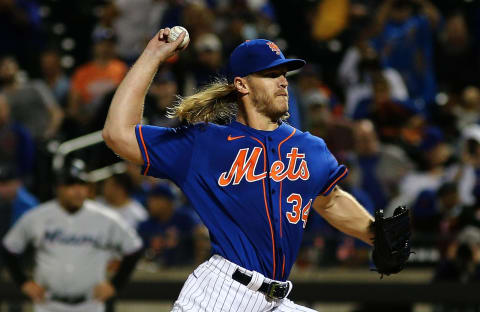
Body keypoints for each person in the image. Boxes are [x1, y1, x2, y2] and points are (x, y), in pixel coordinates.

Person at [103, 28, 374, 311]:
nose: (283, 82)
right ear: (242, 85)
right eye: (270, 75)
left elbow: (331, 201)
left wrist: (377, 236)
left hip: (276, 300)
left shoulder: (311, 148)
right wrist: (151, 56)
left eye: (284, 74)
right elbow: (118, 134)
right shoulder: (204, 143)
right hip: (221, 294)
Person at [0, 162, 143, 312]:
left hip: (90, 305)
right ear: (58, 188)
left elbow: (134, 248)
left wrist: (115, 285)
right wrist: (23, 283)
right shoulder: (38, 216)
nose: (78, 191)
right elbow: (9, 248)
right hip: (48, 305)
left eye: (82, 185)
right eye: (71, 185)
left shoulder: (106, 218)